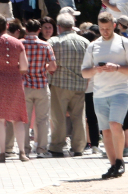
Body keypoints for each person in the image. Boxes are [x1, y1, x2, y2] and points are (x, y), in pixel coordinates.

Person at [81, 12, 128, 179]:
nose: (104, 32)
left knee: (115, 125)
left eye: (107, 28)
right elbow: (85, 72)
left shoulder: (124, 43)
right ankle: (113, 164)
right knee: (105, 131)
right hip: (99, 93)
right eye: (101, 29)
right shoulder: (93, 46)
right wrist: (95, 70)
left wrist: (117, 68)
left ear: (114, 26)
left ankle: (120, 160)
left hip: (120, 90)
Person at [0, 14, 29, 162]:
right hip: (15, 80)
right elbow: (24, 67)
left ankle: (2, 153)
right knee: (17, 118)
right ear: (6, 26)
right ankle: (22, 152)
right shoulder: (17, 43)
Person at [48, 13, 89, 157]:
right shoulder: (85, 42)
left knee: (58, 117)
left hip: (60, 84)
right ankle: (78, 147)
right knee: (78, 117)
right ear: (72, 26)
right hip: (80, 84)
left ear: (58, 27)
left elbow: (50, 63)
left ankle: (57, 146)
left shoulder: (54, 41)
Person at [21, 19, 57, 157]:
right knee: (42, 119)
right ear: (39, 30)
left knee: (25, 119)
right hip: (41, 85)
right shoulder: (45, 45)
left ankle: (25, 149)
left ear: (25, 28)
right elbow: (53, 66)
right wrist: (44, 68)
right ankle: (42, 149)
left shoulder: (20, 44)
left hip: (25, 85)